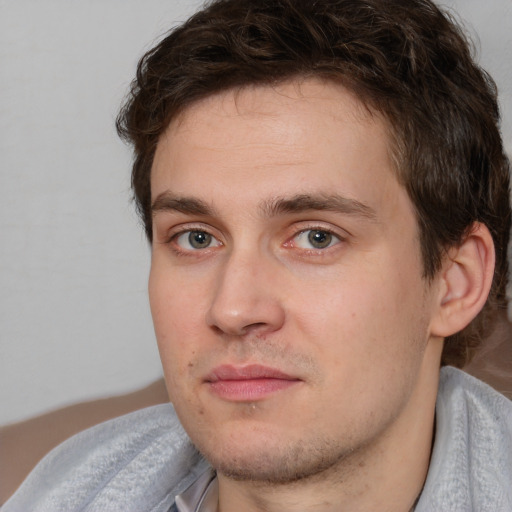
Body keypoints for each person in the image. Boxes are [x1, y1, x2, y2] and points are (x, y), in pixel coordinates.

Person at [3, 0, 512, 510]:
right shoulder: (59, 494)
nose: (233, 309)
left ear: (455, 281)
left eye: (316, 237)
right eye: (196, 237)